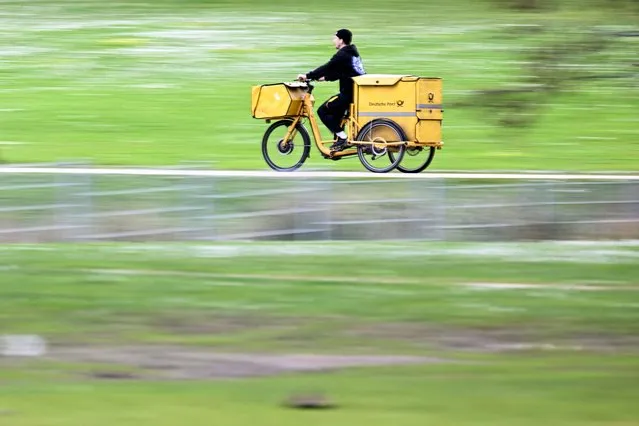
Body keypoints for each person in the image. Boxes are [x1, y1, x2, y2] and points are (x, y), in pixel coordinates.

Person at [297, 28, 366, 151]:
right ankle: (339, 141)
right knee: (335, 114)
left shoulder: (343, 54)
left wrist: (308, 76)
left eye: (335, 38)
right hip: (357, 92)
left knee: (322, 111)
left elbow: (328, 67)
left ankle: (343, 138)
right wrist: (326, 78)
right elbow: (344, 72)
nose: (333, 40)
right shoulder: (352, 53)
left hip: (349, 94)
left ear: (341, 40)